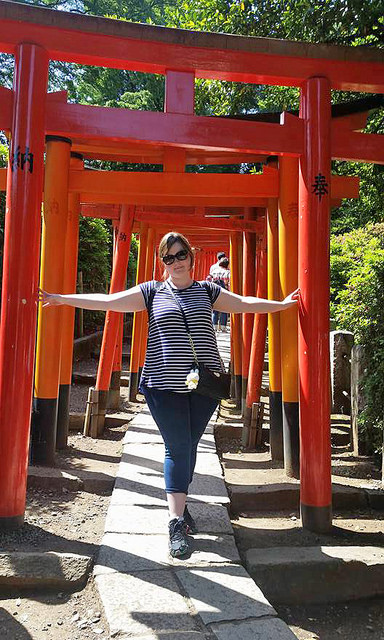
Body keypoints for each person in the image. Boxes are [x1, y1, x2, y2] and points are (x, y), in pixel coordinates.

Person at [39, 231, 298, 558]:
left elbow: (244, 304)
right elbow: (109, 301)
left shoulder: (207, 291)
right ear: (162, 262)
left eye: (180, 255)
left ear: (190, 256)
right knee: (177, 447)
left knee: (188, 446)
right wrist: (63, 298)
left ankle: (182, 506)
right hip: (164, 386)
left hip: (203, 386)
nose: (175, 262)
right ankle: (176, 522)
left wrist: (282, 306)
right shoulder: (151, 292)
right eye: (168, 257)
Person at [211, 256, 230, 332]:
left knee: (215, 310)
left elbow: (209, 280)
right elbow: (229, 283)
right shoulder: (227, 273)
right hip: (224, 292)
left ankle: (214, 326)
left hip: (214, 291)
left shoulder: (214, 272)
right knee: (224, 310)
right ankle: (223, 327)